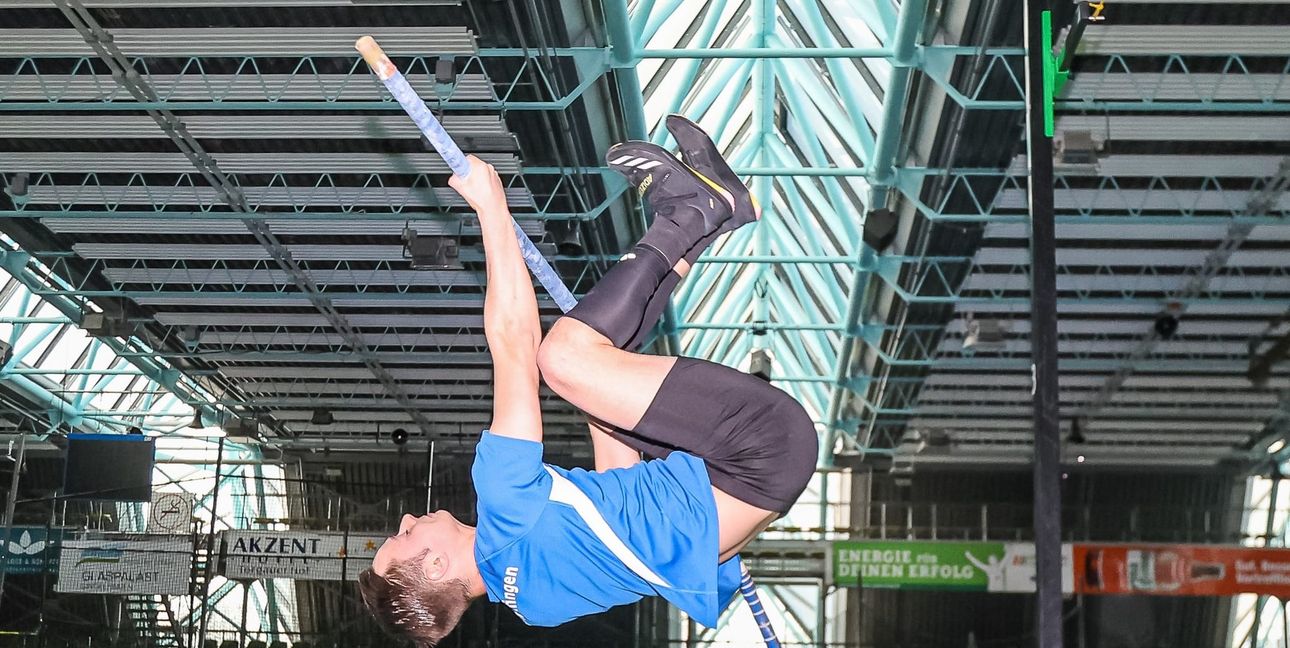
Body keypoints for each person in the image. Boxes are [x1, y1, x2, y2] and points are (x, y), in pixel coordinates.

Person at [358, 116, 818, 646]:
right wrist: (491, 208)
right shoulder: (503, 505)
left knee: (594, 382)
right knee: (561, 360)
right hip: (758, 448)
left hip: (763, 475)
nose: (407, 519)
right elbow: (514, 344)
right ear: (436, 566)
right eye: (404, 536)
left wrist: (599, 383)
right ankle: (692, 211)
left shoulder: (537, 606)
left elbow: (621, 490)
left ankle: (713, 219)